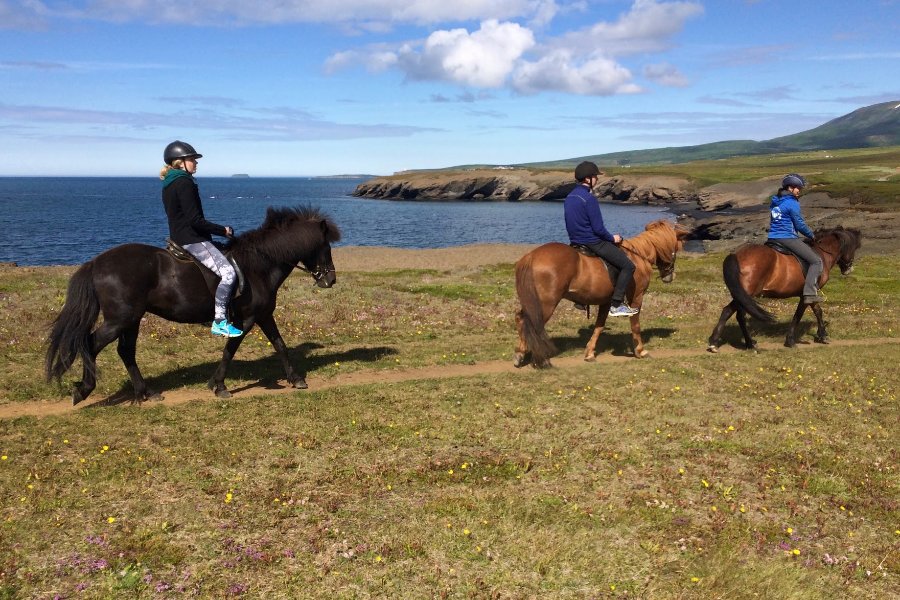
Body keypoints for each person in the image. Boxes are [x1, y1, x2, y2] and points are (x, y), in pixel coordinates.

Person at [160, 140, 243, 337]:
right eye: (192, 159)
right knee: (229, 273)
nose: (196, 163)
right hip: (192, 240)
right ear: (180, 162)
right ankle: (220, 321)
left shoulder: (169, 183)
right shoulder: (184, 182)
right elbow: (195, 220)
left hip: (178, 237)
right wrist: (223, 230)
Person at [564, 161, 638, 317]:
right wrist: (613, 238)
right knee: (628, 266)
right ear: (588, 179)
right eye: (595, 177)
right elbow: (598, 229)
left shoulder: (570, 197)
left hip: (575, 243)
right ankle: (616, 305)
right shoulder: (589, 199)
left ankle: (581, 299)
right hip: (592, 242)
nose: (597, 180)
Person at [768, 173, 824, 304]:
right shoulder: (792, 203)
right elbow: (799, 224)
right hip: (787, 238)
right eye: (798, 188)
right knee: (816, 261)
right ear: (790, 188)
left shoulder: (775, 202)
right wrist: (811, 235)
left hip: (772, 238)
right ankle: (810, 293)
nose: (799, 191)